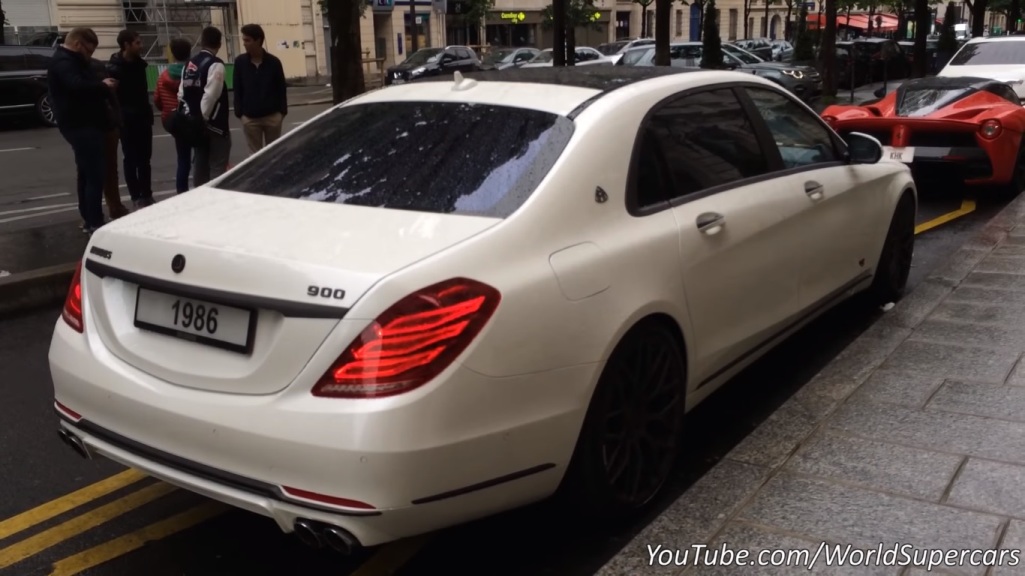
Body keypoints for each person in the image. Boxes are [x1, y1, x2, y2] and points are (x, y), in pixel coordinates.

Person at [48, 27, 118, 235]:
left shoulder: (69, 60)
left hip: (83, 123)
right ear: (78, 44)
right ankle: (94, 221)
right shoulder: (64, 62)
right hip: (81, 125)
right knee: (94, 174)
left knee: (87, 173)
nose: (90, 56)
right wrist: (103, 86)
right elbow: (76, 85)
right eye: (89, 50)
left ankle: (89, 218)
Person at [107, 29, 155, 208]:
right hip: (126, 120)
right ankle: (136, 196)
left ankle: (147, 194)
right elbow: (113, 98)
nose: (141, 46)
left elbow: (142, 94)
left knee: (145, 159)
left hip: (142, 117)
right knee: (130, 158)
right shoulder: (114, 68)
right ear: (126, 45)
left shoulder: (140, 65)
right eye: (137, 43)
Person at [179, 26, 231, 187]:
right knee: (217, 166)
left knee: (200, 166)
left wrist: (189, 116)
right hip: (213, 124)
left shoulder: (189, 64)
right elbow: (211, 94)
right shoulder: (216, 64)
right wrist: (202, 118)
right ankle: (216, 200)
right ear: (219, 44)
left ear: (202, 42)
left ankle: (199, 197)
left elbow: (182, 93)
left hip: (193, 121)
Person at [233, 23, 287, 154]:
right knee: (255, 157)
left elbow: (281, 88)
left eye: (247, 40)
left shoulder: (274, 62)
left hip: (272, 117)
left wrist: (281, 112)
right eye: (243, 40)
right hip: (250, 119)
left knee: (274, 154)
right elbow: (237, 88)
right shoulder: (240, 62)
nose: (244, 43)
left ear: (258, 40)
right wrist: (240, 114)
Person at [154, 38, 194, 193]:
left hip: (173, 119)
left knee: (182, 159)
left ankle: (181, 191)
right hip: (191, 117)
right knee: (201, 155)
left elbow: (157, 99)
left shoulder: (163, 76)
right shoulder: (192, 73)